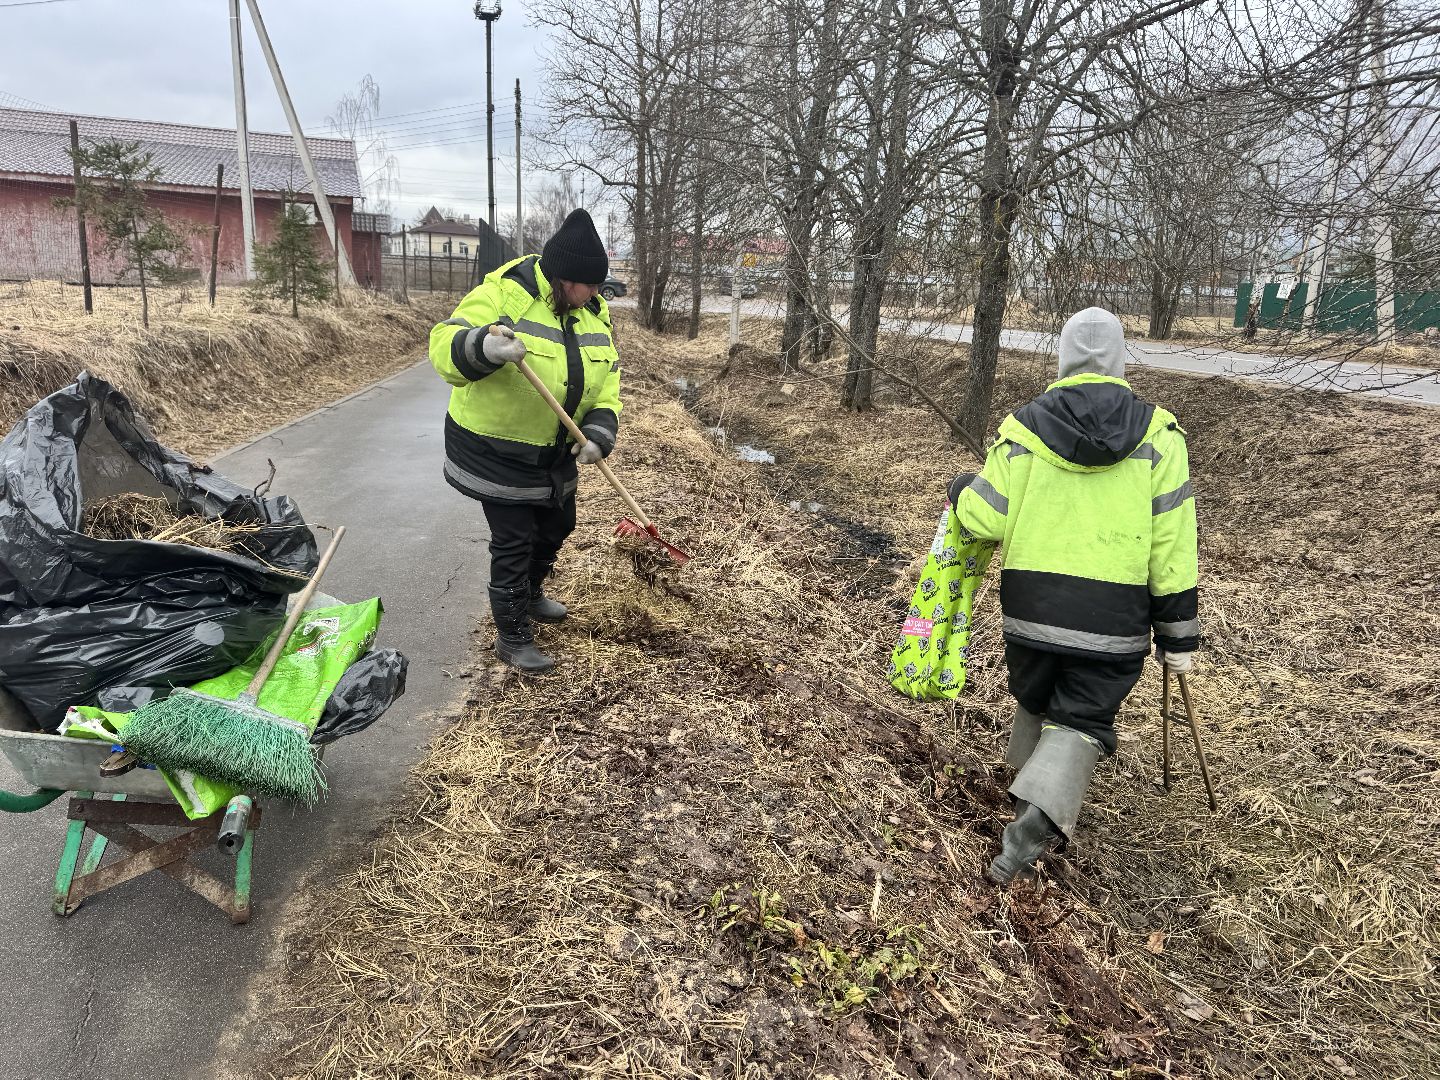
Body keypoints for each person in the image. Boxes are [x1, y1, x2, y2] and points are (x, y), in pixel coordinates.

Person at [949, 307, 1199, 884]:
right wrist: (1178, 634)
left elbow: (983, 518)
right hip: (1114, 624)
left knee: (1037, 698)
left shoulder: (1023, 428)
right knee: (1082, 719)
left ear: (1063, 357)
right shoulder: (1161, 439)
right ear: (1118, 358)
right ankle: (1022, 839)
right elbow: (1172, 546)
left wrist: (961, 488)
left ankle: (1019, 794)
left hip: (1031, 613)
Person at [429, 209, 622, 674]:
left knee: (558, 526)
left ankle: (532, 595)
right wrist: (483, 348)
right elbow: (443, 344)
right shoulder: (505, 292)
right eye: (588, 284)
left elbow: (608, 378)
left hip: (553, 451)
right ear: (563, 278)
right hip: (496, 448)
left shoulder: (593, 311)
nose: (597, 293)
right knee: (514, 541)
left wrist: (598, 432)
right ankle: (513, 636)